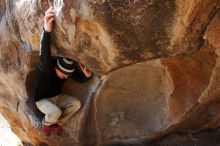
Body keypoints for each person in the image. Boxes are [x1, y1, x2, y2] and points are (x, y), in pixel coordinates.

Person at [34, 6, 92, 137]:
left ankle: (57, 123)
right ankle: (46, 123)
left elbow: (78, 78)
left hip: (57, 98)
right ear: (56, 68)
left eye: (67, 75)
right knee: (55, 111)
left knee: (76, 104)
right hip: (42, 101)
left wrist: (86, 76)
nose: (66, 77)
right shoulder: (47, 69)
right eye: (64, 74)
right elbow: (44, 53)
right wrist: (46, 31)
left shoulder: (65, 74)